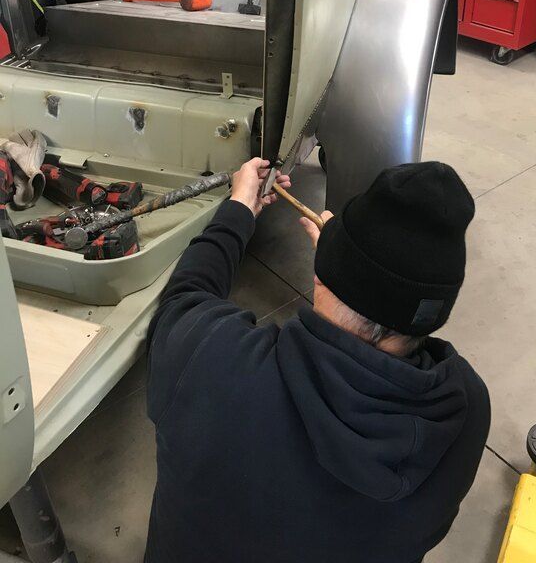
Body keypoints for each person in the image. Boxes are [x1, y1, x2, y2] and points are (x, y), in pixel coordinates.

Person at [145, 157, 490, 563]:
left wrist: (238, 208)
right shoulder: (466, 411)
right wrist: (351, 271)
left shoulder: (213, 360)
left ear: (321, 273)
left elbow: (186, 294)